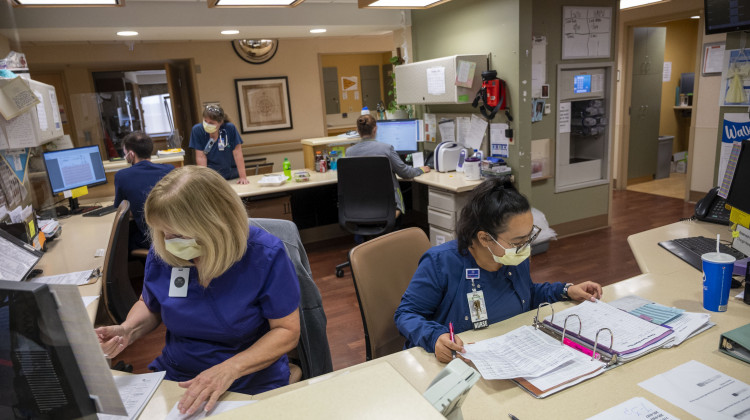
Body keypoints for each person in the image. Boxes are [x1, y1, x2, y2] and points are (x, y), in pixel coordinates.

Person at [96, 166, 300, 415]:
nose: (169, 242)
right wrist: (127, 330)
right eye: (163, 232)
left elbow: (287, 331)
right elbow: (151, 304)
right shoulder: (165, 251)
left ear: (215, 224)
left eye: (178, 234)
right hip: (180, 378)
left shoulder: (264, 255)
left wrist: (229, 369)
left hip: (248, 380)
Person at [394, 178, 602, 363]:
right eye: (518, 241)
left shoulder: (511, 256)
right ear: (485, 238)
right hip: (459, 360)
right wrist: (434, 337)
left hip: (510, 354)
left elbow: (527, 294)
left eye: (529, 236)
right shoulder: (441, 263)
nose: (526, 247)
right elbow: (406, 314)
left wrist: (566, 290)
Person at [345, 114, 430, 215]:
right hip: (389, 208)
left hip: (360, 208)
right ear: (375, 129)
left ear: (358, 131)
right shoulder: (386, 149)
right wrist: (420, 169)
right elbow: (405, 173)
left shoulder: (349, 152)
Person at [114, 131, 174, 250]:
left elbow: (120, 211)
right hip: (174, 232)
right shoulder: (170, 169)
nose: (125, 156)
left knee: (120, 243)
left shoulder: (122, 176)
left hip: (151, 239)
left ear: (131, 154)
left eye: (125, 153)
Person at [189, 105, 248, 184]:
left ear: (220, 122)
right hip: (212, 176)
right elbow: (201, 157)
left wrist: (243, 177)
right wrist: (204, 180)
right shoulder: (198, 130)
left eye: (211, 123)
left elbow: (237, 153)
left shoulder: (229, 129)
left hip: (231, 174)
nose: (207, 124)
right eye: (205, 121)